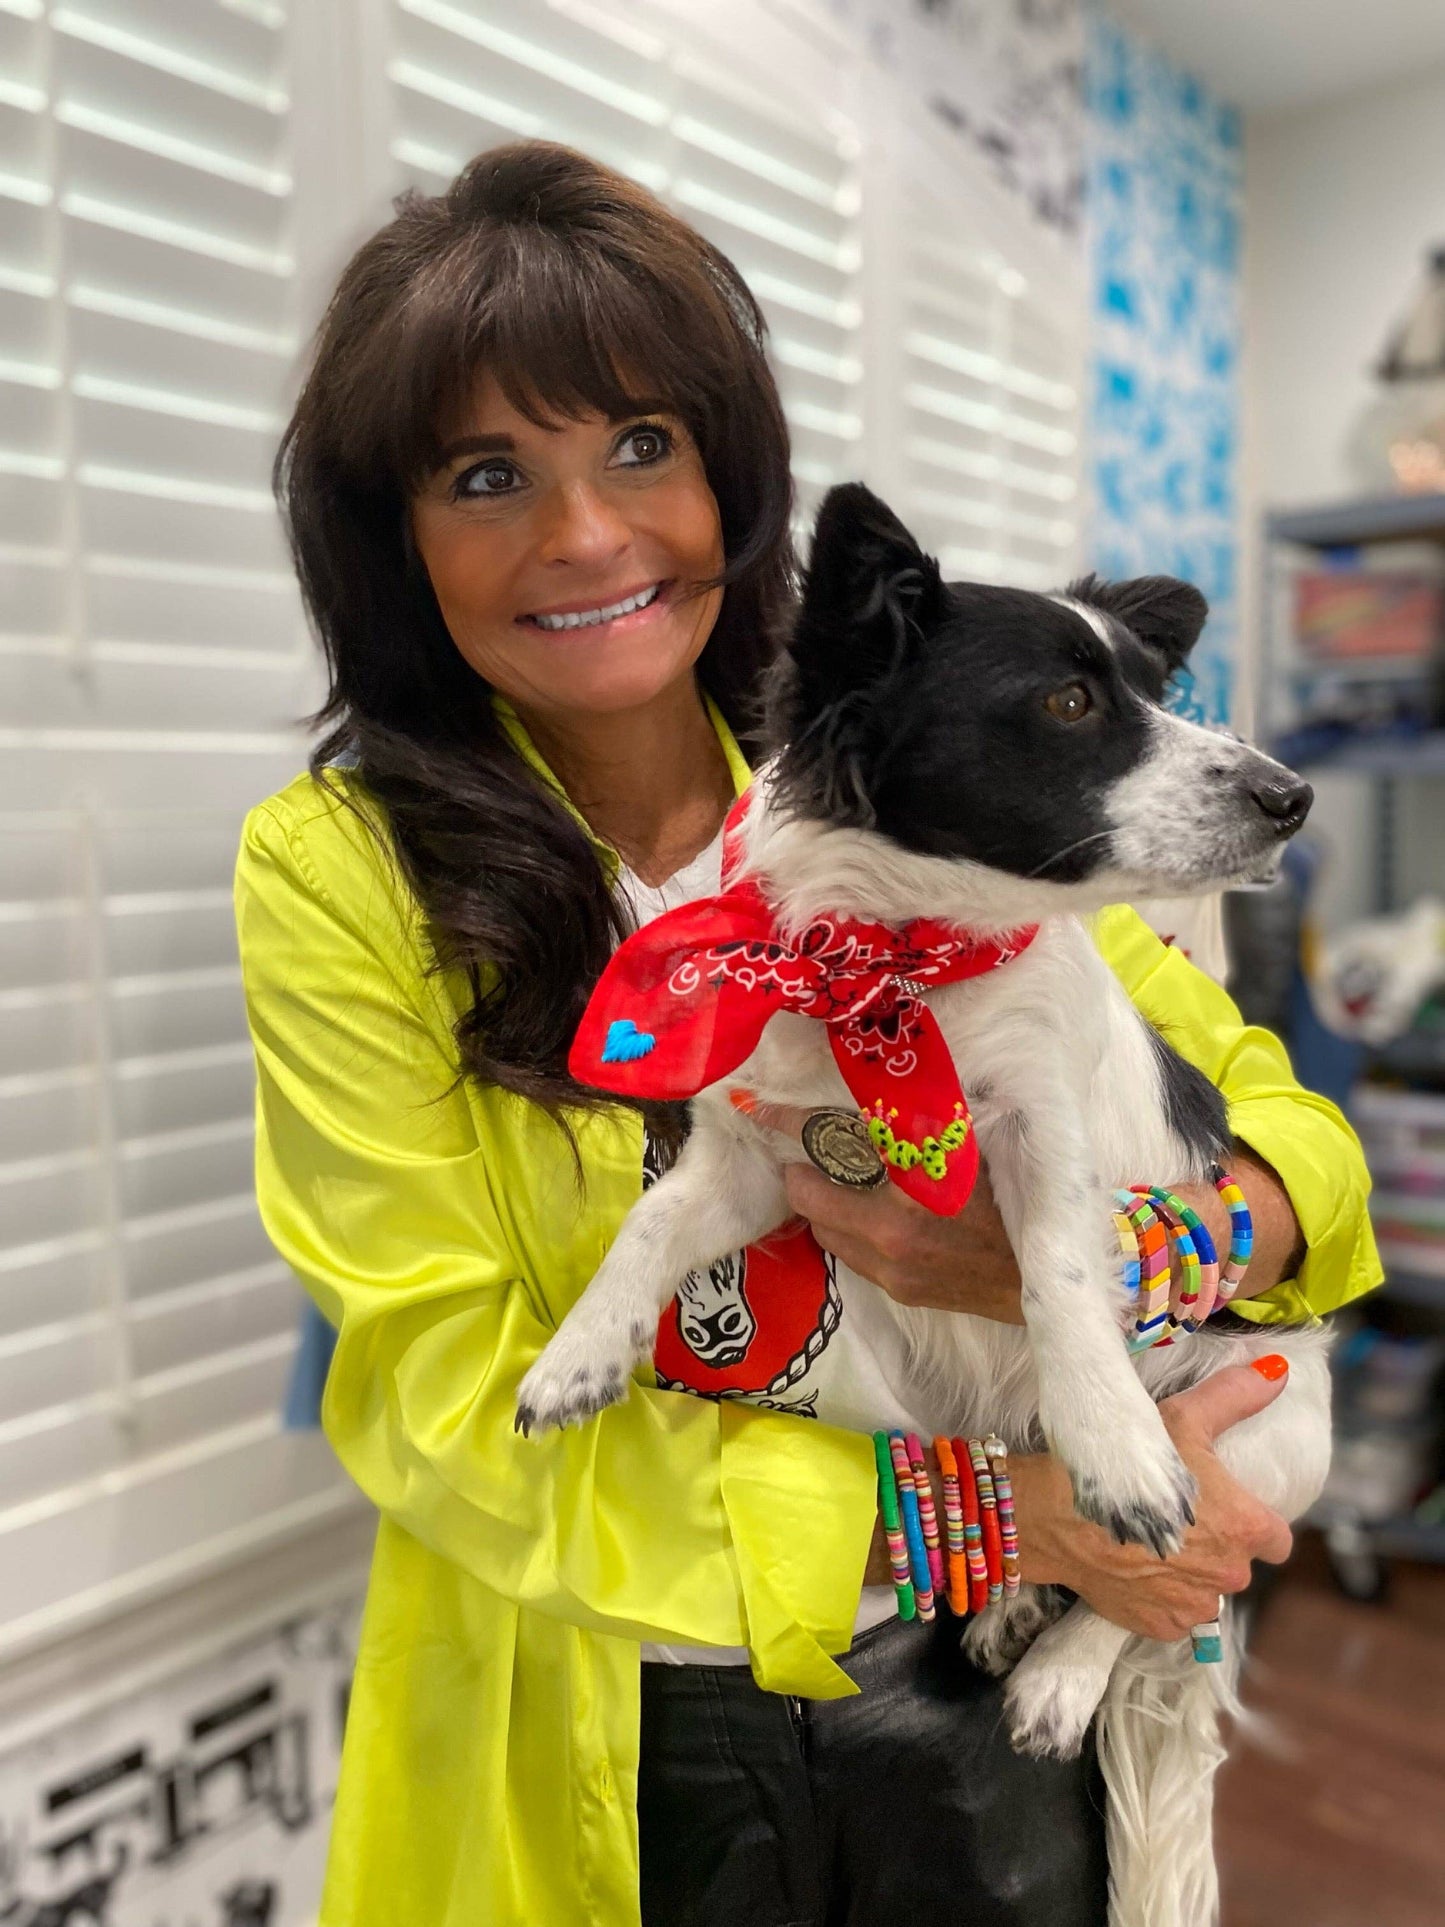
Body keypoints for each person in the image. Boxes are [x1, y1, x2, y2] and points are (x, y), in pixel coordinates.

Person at [236, 141, 1380, 1927]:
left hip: (1001, 1696)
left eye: (639, 444)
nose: (587, 534)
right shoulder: (344, 869)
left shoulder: (950, 809)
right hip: (619, 1702)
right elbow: (437, 1404)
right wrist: (990, 1513)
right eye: (485, 474)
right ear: (394, 541)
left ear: (727, 471)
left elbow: (1291, 1140)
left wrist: (1112, 1269)